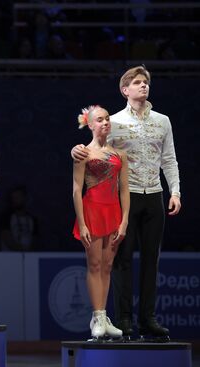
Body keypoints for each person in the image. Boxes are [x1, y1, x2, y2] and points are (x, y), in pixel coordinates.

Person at [72, 66, 181, 341]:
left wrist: (175, 192)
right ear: (125, 90)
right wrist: (76, 149)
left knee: (150, 260)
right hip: (125, 196)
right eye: (137, 82)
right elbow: (95, 143)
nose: (144, 86)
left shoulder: (163, 120)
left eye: (146, 82)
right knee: (120, 259)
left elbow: (169, 159)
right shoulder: (115, 121)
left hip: (154, 193)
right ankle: (123, 318)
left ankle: (148, 318)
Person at [72, 105, 129, 341]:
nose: (105, 122)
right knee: (94, 265)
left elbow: (124, 189)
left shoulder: (120, 155)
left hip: (113, 212)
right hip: (93, 210)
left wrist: (124, 221)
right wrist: (82, 223)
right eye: (100, 120)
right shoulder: (82, 153)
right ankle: (96, 315)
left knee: (107, 267)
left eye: (107, 119)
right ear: (90, 124)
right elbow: (76, 189)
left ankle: (104, 316)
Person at [0, 185, 39, 251]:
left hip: (30, 256)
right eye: (14, 197)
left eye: (19, 197)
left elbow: (35, 239)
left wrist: (29, 251)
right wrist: (20, 249)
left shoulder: (32, 219)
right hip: (9, 257)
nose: (16, 200)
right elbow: (6, 237)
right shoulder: (6, 218)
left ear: (25, 198)